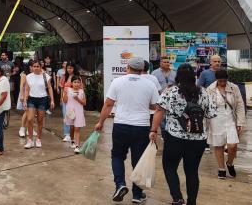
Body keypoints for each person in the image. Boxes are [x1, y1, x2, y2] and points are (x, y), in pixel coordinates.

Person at [94, 57, 159, 204]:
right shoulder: (150, 84)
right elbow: (156, 107)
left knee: (117, 156)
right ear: (142, 69)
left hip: (121, 125)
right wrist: (143, 106)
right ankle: (137, 195)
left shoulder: (117, 82)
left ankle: (120, 184)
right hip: (141, 127)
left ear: (127, 67)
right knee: (138, 160)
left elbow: (109, 104)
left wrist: (100, 122)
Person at [150, 64, 217, 205]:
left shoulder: (171, 91)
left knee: (169, 166)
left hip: (175, 138)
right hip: (198, 139)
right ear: (194, 76)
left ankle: (177, 198)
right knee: (192, 171)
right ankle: (192, 202)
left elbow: (159, 111)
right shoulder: (204, 92)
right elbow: (211, 115)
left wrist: (153, 130)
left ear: (178, 76)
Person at [206, 69, 245, 179]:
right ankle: (221, 169)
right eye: (220, 81)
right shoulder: (210, 89)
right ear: (216, 79)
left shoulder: (234, 88)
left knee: (233, 145)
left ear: (227, 79)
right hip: (216, 119)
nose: (222, 83)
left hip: (230, 118)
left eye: (224, 81)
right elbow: (207, 106)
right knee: (218, 145)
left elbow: (240, 105)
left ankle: (230, 163)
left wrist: (240, 122)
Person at [23, 60, 55, 149]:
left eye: (38, 66)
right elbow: (27, 89)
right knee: (30, 119)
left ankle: (38, 139)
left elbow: (49, 88)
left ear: (41, 67)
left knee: (40, 120)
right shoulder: (29, 76)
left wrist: (52, 100)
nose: (36, 68)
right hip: (31, 99)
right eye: (34, 66)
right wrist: (25, 100)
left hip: (43, 99)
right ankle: (30, 140)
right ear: (32, 67)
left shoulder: (46, 76)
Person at [64, 76, 86, 153]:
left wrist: (77, 99)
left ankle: (77, 146)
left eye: (78, 82)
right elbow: (65, 101)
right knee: (71, 126)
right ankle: (72, 140)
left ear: (80, 83)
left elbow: (84, 103)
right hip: (70, 111)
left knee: (77, 128)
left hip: (79, 111)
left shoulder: (81, 91)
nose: (76, 84)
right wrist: (65, 93)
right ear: (72, 83)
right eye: (75, 82)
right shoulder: (68, 90)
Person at [59, 62, 76, 142]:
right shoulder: (63, 77)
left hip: (74, 100)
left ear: (74, 68)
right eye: (68, 68)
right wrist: (61, 99)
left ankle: (73, 134)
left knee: (73, 117)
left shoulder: (77, 77)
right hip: (65, 100)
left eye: (71, 68)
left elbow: (81, 89)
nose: (69, 69)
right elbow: (62, 88)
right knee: (66, 116)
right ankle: (67, 134)